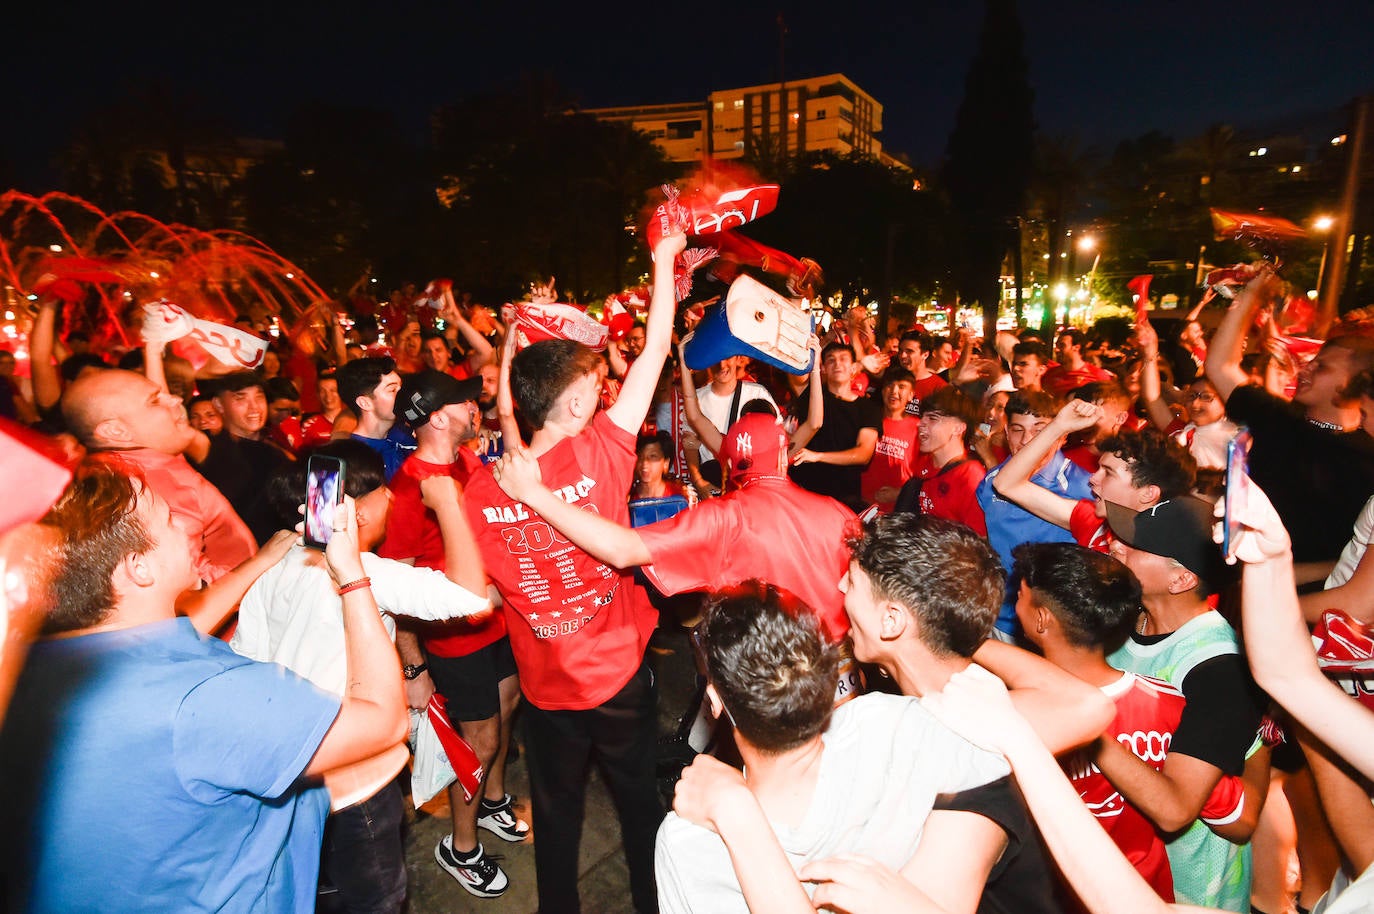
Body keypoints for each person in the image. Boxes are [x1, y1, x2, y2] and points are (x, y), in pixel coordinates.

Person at [0, 460, 407, 914]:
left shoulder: (23, 665)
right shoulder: (207, 697)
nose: (190, 530)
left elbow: (185, 621)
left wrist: (261, 561)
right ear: (138, 567)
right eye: (170, 519)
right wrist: (351, 575)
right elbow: (384, 718)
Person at [461, 225, 686, 914]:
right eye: (596, 381)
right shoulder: (607, 451)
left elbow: (474, 595)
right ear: (579, 403)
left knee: (556, 817)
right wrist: (664, 259)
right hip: (618, 674)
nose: (608, 383)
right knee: (640, 807)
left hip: (544, 686)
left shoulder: (480, 488)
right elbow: (652, 352)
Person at [232, 440, 491, 914]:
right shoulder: (367, 572)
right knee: (377, 899)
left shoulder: (271, 568)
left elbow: (247, 662)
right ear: (355, 511)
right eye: (380, 491)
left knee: (317, 890)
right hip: (358, 784)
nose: (392, 498)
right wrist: (450, 504)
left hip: (292, 776)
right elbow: (474, 600)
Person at [657, 582, 1015, 914]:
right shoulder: (895, 722)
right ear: (830, 676)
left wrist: (735, 811)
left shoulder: (687, 842)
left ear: (715, 701)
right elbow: (1011, 753)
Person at [835, 512, 1115, 911]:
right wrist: (946, 624)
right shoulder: (977, 710)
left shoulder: (970, 765)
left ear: (892, 620)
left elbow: (1091, 704)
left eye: (853, 582)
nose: (840, 586)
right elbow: (1085, 702)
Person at [493, 410, 858, 644]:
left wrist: (534, 494)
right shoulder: (840, 513)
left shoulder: (723, 516)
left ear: (731, 462)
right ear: (783, 455)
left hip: (764, 682)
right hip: (838, 675)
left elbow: (623, 549)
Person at [376, 369, 525, 899]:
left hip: (499, 622)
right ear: (438, 416)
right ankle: (461, 848)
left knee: (507, 709)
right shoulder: (408, 488)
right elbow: (396, 588)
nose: (473, 409)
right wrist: (412, 667)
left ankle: (493, 803)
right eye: (465, 403)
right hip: (454, 640)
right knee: (477, 742)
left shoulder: (466, 460)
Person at [1103, 496, 1263, 911]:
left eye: (1134, 544)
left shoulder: (1216, 667)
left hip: (1189, 887)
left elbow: (1176, 810)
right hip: (1123, 869)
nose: (1114, 546)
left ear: (1179, 581)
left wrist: (1085, 729)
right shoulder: (1122, 620)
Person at [1205, 267, 1374, 582]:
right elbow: (1220, 365)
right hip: (1242, 583)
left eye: (1321, 366)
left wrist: (1277, 576)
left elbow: (1358, 560)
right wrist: (1253, 292)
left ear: (1357, 382)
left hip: (1316, 609)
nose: (1306, 368)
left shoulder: (1367, 458)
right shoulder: (1278, 418)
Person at [60, 368, 256, 582]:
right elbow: (189, 584)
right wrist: (266, 572)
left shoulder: (129, 464)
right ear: (116, 431)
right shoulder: (142, 488)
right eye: (154, 401)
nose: (175, 400)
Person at [993, 399, 1196, 553]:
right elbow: (1006, 484)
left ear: (1148, 493)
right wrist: (1058, 426)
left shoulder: (1170, 562)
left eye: (1108, 473)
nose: (1092, 478)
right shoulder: (1095, 523)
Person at [975, 391, 1094, 639]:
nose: (1027, 440)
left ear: (1061, 437)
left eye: (1040, 430)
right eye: (1018, 429)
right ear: (1006, 433)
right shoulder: (990, 481)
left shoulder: (1082, 489)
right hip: (994, 616)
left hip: (1049, 627)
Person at [195, 371, 294, 545]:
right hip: (231, 556)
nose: (254, 407)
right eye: (241, 399)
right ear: (218, 404)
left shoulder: (276, 449)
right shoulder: (210, 447)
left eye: (259, 397)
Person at [789, 342, 882, 511]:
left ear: (854, 368)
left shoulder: (869, 409)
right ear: (823, 368)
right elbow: (792, 368)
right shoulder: (811, 397)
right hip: (804, 493)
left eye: (843, 359)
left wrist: (818, 456)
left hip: (844, 498)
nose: (837, 364)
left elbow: (863, 454)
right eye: (831, 360)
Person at [894, 384, 987, 533]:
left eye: (932, 418)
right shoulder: (924, 465)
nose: (921, 423)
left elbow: (977, 543)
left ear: (958, 428)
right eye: (922, 417)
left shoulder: (970, 477)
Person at [335, 356, 415, 479]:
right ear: (365, 403)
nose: (403, 395)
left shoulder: (404, 437)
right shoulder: (354, 461)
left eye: (401, 387)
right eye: (392, 390)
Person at [861, 368, 922, 513]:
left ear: (911, 395)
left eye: (901, 387)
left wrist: (900, 492)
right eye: (889, 385)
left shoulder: (920, 428)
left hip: (898, 510)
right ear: (882, 391)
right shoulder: (868, 418)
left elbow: (926, 474)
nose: (894, 391)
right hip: (862, 504)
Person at [1043, 329, 1114, 397]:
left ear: (1076, 347)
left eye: (1062, 345)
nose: (1057, 349)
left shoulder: (1098, 376)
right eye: (1056, 345)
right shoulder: (1050, 374)